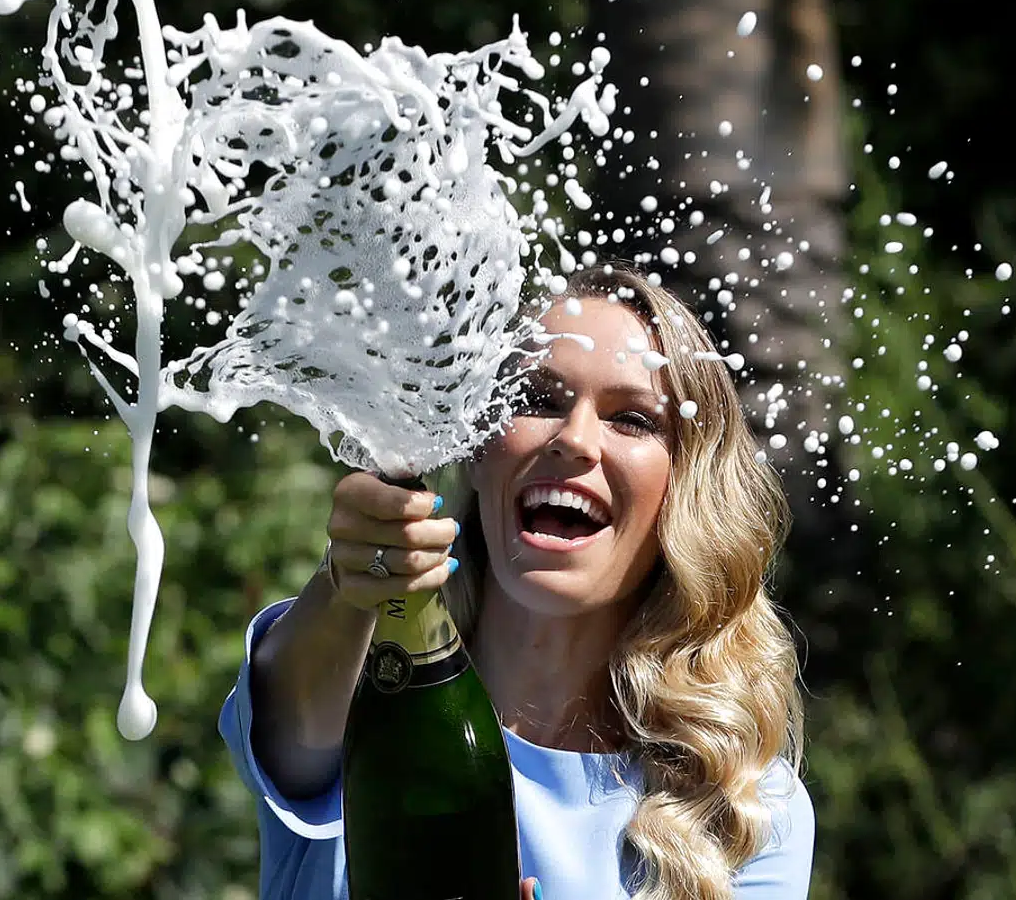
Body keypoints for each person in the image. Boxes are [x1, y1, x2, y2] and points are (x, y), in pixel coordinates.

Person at [219, 261, 815, 899]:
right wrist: (350, 575)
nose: (575, 439)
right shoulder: (362, 691)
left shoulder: (747, 812)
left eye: (633, 419)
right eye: (538, 399)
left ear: (684, 490)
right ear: (477, 451)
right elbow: (289, 718)